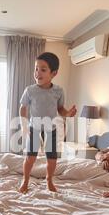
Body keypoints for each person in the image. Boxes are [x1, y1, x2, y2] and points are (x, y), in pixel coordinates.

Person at [19, 52, 77, 193]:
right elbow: (23, 108)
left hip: (51, 129)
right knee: (30, 158)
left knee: (52, 159)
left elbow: (60, 109)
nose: (37, 73)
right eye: (36, 69)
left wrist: (68, 114)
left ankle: (49, 180)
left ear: (54, 73)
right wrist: (24, 126)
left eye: (43, 69)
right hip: (34, 128)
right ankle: (25, 180)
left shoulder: (58, 91)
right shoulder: (30, 90)